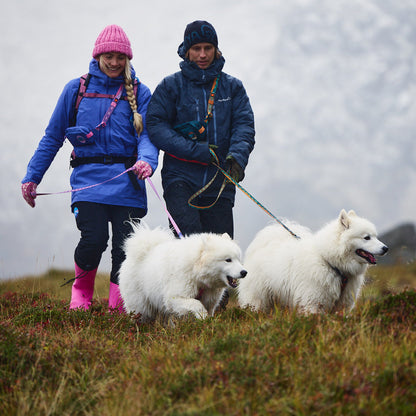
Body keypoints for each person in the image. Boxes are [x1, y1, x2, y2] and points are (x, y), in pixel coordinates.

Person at [21, 25, 158, 312]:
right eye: (108, 56)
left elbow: (147, 136)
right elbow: (53, 137)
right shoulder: (76, 89)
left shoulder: (140, 92)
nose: (114, 62)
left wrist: (147, 160)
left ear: (128, 59)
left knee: (125, 248)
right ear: (97, 56)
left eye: (120, 57)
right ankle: (81, 292)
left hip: (128, 185)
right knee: (94, 239)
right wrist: (32, 177)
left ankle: (119, 304)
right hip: (87, 183)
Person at [146, 20, 255, 240]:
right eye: (196, 49)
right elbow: (155, 126)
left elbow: (244, 126)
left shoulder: (234, 87)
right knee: (190, 248)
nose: (203, 54)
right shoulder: (170, 86)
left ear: (216, 50)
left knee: (220, 253)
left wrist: (237, 158)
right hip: (179, 179)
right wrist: (197, 151)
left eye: (208, 48)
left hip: (220, 179)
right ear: (187, 51)